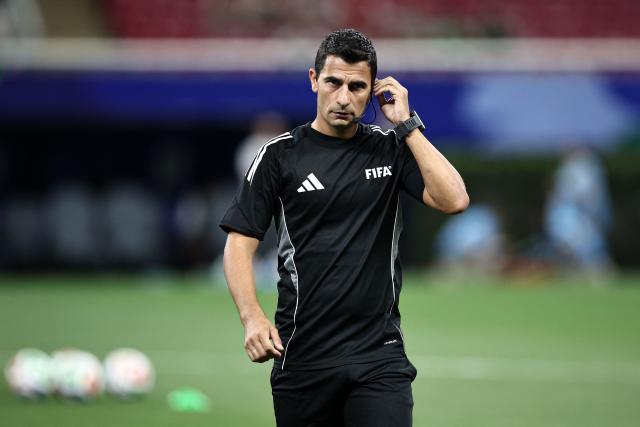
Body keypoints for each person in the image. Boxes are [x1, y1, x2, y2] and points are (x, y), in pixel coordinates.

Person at [220, 29, 468, 427]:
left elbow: (454, 199)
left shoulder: (389, 148)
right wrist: (252, 317)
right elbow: (239, 243)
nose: (343, 97)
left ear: (373, 93)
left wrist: (406, 123)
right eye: (334, 82)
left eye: (357, 87)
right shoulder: (278, 156)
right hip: (302, 355)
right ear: (314, 79)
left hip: (378, 356)